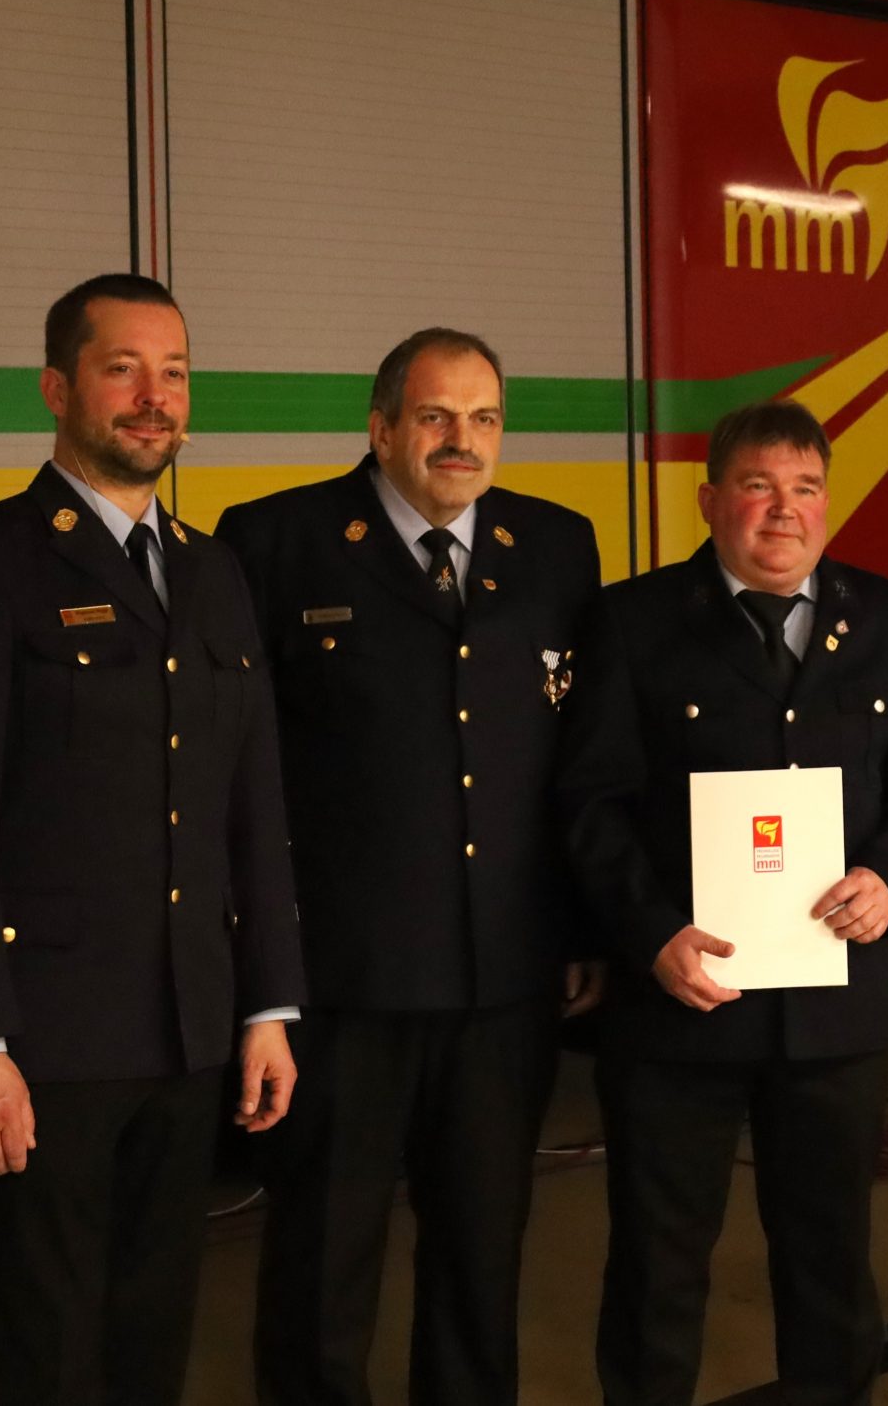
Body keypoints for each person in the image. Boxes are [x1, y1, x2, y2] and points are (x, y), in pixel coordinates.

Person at [0, 271, 304, 1406]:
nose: (154, 397)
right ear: (58, 389)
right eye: (123, 369)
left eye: (174, 373)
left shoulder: (211, 569)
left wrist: (267, 1004)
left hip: (190, 1029)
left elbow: (251, 805)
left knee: (153, 1325)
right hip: (44, 1041)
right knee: (41, 1339)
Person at [216, 328, 604, 1406]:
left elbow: (579, 761)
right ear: (382, 426)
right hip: (341, 983)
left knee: (483, 1251)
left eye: (483, 418)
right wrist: (260, 973)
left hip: (503, 978)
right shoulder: (276, 541)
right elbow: (235, 770)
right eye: (435, 416)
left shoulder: (556, 545)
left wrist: (582, 928)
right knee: (323, 1257)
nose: (460, 440)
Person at [553, 399, 888, 1406]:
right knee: (658, 1261)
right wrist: (649, 933)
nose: (784, 510)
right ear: (709, 501)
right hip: (681, 1000)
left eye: (805, 488)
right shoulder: (633, 620)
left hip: (833, 1007)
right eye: (757, 486)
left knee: (831, 1260)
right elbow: (591, 801)